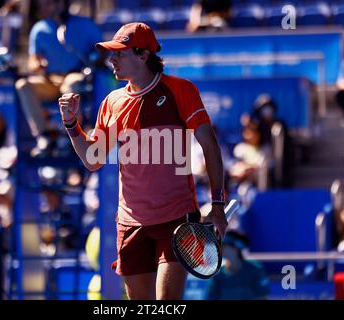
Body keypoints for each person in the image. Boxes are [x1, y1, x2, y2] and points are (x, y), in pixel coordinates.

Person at [58, 22, 227, 300]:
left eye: (120, 53)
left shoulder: (180, 90)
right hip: (130, 224)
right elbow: (93, 160)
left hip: (176, 220)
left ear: (143, 55)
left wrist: (217, 203)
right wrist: (71, 123)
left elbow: (210, 145)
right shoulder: (112, 102)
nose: (112, 60)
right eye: (112, 54)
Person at [16, 0, 103, 138]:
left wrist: (96, 57)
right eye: (41, 5)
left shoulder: (85, 25)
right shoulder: (39, 29)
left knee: (72, 85)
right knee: (23, 85)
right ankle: (44, 135)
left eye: (48, 4)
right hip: (49, 80)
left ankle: (73, 135)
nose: (43, 8)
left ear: (61, 4)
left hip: (74, 75)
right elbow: (33, 59)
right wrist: (38, 64)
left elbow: (102, 50)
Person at [206, 230, 269, 300]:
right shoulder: (217, 273)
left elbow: (262, 297)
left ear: (236, 249)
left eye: (225, 245)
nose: (220, 248)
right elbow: (213, 297)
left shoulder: (255, 269)